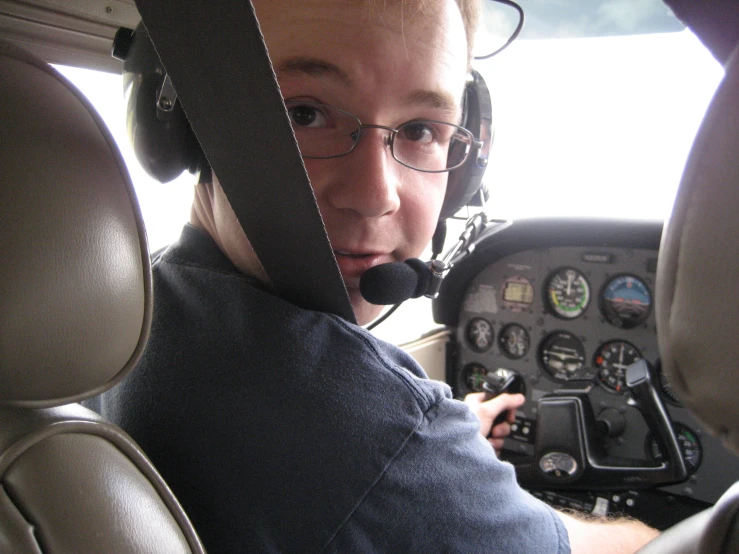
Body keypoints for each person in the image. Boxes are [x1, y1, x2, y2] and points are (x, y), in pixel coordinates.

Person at [89, 0, 660, 551]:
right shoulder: (352, 423)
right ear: (186, 128)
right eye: (304, 113)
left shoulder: (139, 307)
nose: (375, 196)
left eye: (420, 130)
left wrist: (448, 450)